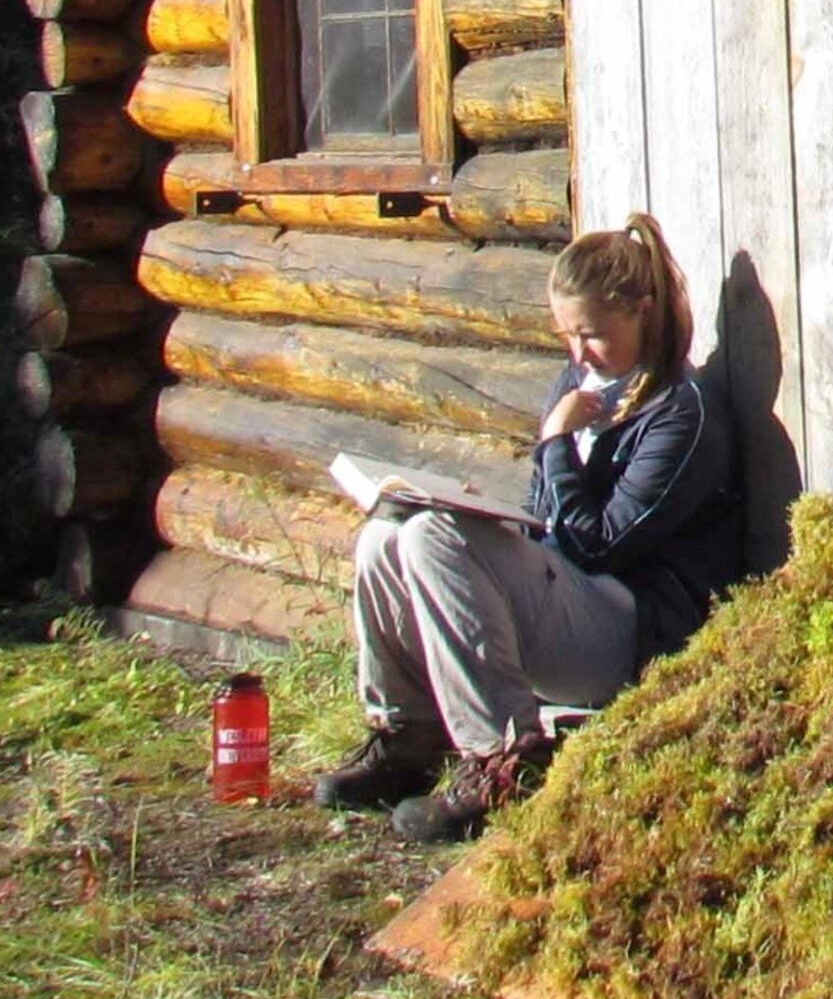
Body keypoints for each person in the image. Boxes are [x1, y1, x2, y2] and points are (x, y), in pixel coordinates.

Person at [315, 213, 744, 842]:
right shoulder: (578, 384)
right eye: (567, 334)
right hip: (573, 598)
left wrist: (553, 445)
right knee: (391, 529)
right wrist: (488, 511)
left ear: (643, 311)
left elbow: (601, 545)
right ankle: (409, 735)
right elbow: (549, 516)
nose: (578, 352)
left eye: (593, 335)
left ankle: (503, 764)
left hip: (633, 632)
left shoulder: (681, 414)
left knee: (434, 537)